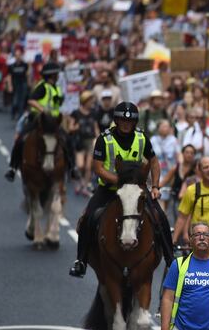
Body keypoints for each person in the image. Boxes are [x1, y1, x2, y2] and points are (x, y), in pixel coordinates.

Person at [68, 102, 174, 278]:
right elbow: (99, 168)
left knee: (159, 217)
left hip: (137, 189)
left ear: (134, 122)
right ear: (116, 121)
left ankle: (171, 260)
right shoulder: (104, 139)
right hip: (110, 189)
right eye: (122, 121)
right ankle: (81, 261)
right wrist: (121, 181)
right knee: (89, 218)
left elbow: (154, 161)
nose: (126, 124)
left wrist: (155, 186)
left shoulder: (142, 138)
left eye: (130, 121)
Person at [5, 61, 75, 182]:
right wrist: (43, 110)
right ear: (52, 75)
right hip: (39, 120)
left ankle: (72, 168)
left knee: (67, 140)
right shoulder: (42, 87)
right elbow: (31, 101)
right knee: (21, 139)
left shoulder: (57, 87)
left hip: (54, 122)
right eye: (56, 73)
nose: (58, 75)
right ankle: (13, 168)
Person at [67, 90, 100, 196]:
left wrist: (98, 138)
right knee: (80, 165)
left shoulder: (94, 113)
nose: (92, 102)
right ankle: (79, 182)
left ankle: (85, 186)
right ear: (85, 101)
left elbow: (95, 127)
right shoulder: (76, 113)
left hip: (90, 141)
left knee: (88, 166)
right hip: (79, 141)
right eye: (90, 100)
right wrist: (76, 127)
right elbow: (70, 128)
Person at [151, 119, 180, 211]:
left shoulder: (174, 140)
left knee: (167, 200)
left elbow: (179, 155)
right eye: (163, 126)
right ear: (158, 128)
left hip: (170, 173)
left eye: (167, 126)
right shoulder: (153, 140)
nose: (166, 128)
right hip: (157, 172)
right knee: (159, 200)